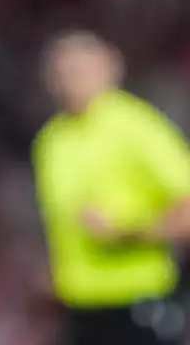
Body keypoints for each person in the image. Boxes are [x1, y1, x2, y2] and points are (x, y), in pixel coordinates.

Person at [33, 31, 190, 345]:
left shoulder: (137, 126)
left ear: (110, 70)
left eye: (81, 71)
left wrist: (128, 232)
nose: (70, 82)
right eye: (62, 73)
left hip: (138, 298)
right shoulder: (51, 140)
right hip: (79, 306)